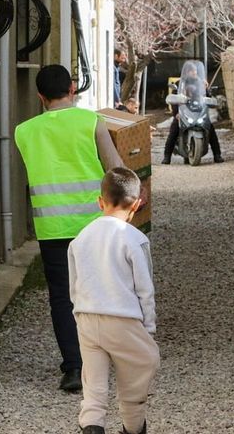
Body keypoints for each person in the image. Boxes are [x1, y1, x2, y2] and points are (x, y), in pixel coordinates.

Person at [15, 65, 124, 393]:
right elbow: (117, 169)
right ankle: (102, 361)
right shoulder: (91, 122)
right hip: (94, 225)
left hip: (52, 228)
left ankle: (73, 367)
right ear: (72, 89)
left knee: (63, 297)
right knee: (99, 291)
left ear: (40, 97)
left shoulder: (24, 132)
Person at [68, 167, 159, 434]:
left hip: (87, 317)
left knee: (94, 388)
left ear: (100, 201)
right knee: (135, 380)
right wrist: (148, 330)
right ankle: (133, 428)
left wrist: (79, 313)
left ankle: (92, 426)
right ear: (137, 204)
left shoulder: (80, 238)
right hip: (123, 319)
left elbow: (74, 284)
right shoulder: (135, 239)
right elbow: (145, 289)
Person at [161, 61, 223, 165]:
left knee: (210, 128)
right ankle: (167, 156)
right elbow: (174, 101)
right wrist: (176, 113)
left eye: (195, 70)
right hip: (183, 111)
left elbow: (206, 97)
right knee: (174, 130)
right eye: (191, 71)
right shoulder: (179, 84)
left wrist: (207, 89)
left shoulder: (200, 82)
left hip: (198, 110)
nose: (194, 72)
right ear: (186, 72)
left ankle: (217, 155)